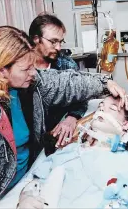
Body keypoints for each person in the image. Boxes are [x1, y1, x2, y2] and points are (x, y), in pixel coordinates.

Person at [0, 26, 128, 209]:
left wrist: (105, 84)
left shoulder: (30, 83)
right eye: (26, 69)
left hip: (26, 181)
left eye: (33, 66)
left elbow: (66, 83)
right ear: (2, 70)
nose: (33, 73)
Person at [31, 96, 128, 209]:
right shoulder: (70, 150)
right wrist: (25, 198)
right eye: (100, 107)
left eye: (112, 109)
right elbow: (35, 183)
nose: (102, 110)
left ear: (125, 124)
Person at [29, 13, 87, 147]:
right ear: (36, 39)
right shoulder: (23, 69)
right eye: (53, 41)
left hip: (56, 138)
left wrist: (72, 117)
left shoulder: (67, 65)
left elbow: (81, 97)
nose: (58, 48)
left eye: (60, 42)